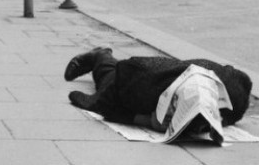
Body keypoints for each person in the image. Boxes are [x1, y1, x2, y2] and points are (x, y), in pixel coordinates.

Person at [64, 47, 252, 132]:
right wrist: (145, 120)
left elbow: (242, 84)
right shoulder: (138, 79)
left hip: (186, 73)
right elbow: (104, 105)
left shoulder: (232, 94)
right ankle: (101, 54)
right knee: (109, 76)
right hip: (133, 78)